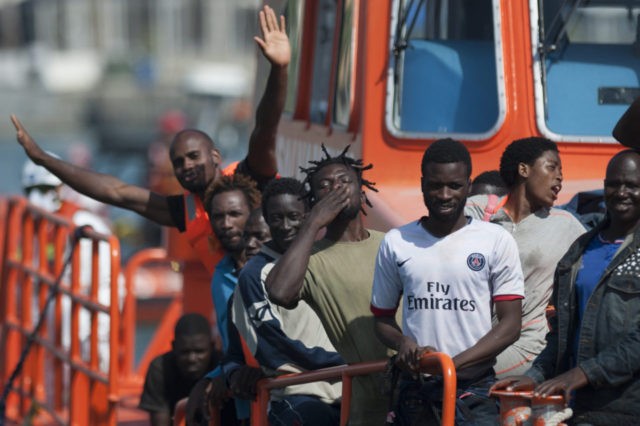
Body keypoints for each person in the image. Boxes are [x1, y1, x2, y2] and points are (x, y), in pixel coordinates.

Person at [11, 4, 289, 277]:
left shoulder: (250, 177)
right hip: (234, 311)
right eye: (178, 162)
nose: (186, 166)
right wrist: (44, 159)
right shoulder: (185, 210)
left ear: (215, 156)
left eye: (194, 157)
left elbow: (265, 127)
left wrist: (279, 69)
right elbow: (115, 192)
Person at [371, 138, 525, 424]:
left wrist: (452, 366)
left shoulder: (496, 240)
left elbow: (510, 325)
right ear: (422, 184)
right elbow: (381, 319)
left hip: (473, 389)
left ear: (468, 185)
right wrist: (403, 342)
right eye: (434, 185)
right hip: (416, 391)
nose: (444, 195)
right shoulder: (396, 242)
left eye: (454, 186)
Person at [491, 149, 640, 425]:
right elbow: (561, 334)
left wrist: (583, 373)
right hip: (577, 408)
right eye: (613, 184)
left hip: (627, 409)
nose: (621, 192)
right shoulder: (579, 250)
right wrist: (534, 376)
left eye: (632, 185)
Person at [265, 146, 391, 426]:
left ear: (361, 191)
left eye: (344, 181)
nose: (336, 188)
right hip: (366, 405)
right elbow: (279, 292)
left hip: (413, 391)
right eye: (324, 186)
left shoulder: (391, 244)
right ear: (314, 202)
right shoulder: (312, 258)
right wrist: (311, 224)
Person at [223, 177, 344, 425]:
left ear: (307, 213)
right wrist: (344, 360)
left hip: (351, 388)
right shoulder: (253, 276)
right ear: (267, 219)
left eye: (294, 216)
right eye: (277, 218)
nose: (286, 226)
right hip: (299, 395)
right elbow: (274, 350)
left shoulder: (326, 257)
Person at [465, 137, 586, 377]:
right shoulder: (477, 211)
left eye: (561, 171)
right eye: (552, 167)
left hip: (525, 342)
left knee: (455, 374)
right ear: (523, 169)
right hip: (472, 336)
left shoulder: (566, 226)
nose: (560, 176)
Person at [22, 156, 115, 372]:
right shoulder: (39, 227)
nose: (38, 197)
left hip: (89, 307)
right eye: (32, 190)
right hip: (58, 304)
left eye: (45, 188)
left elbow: (98, 281)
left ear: (60, 187)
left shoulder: (83, 224)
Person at [139, 313, 225, 426]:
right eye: (185, 352)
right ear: (174, 347)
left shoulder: (223, 367)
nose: (192, 358)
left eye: (199, 351)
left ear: (212, 346)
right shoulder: (159, 368)